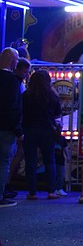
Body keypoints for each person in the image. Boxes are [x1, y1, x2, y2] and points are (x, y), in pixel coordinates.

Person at [22, 69, 62, 200]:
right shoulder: (52, 96)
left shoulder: (26, 96)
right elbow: (57, 113)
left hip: (29, 129)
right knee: (50, 160)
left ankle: (32, 192)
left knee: (30, 161)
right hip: (47, 130)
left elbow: (22, 112)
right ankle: (51, 191)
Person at [0, 47, 22, 207]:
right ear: (12, 61)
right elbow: (13, 107)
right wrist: (18, 130)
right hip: (6, 129)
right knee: (3, 163)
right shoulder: (12, 81)